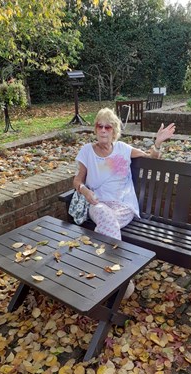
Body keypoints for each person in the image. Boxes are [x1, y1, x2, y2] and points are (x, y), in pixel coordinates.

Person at [72, 107, 175, 298]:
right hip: (98, 204)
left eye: (108, 127)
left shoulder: (123, 149)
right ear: (95, 129)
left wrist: (158, 143)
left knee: (108, 222)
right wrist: (85, 191)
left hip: (124, 207)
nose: (103, 130)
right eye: (99, 126)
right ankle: (120, 277)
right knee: (105, 217)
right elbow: (77, 180)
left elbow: (152, 157)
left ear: (114, 130)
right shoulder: (87, 151)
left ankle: (100, 272)